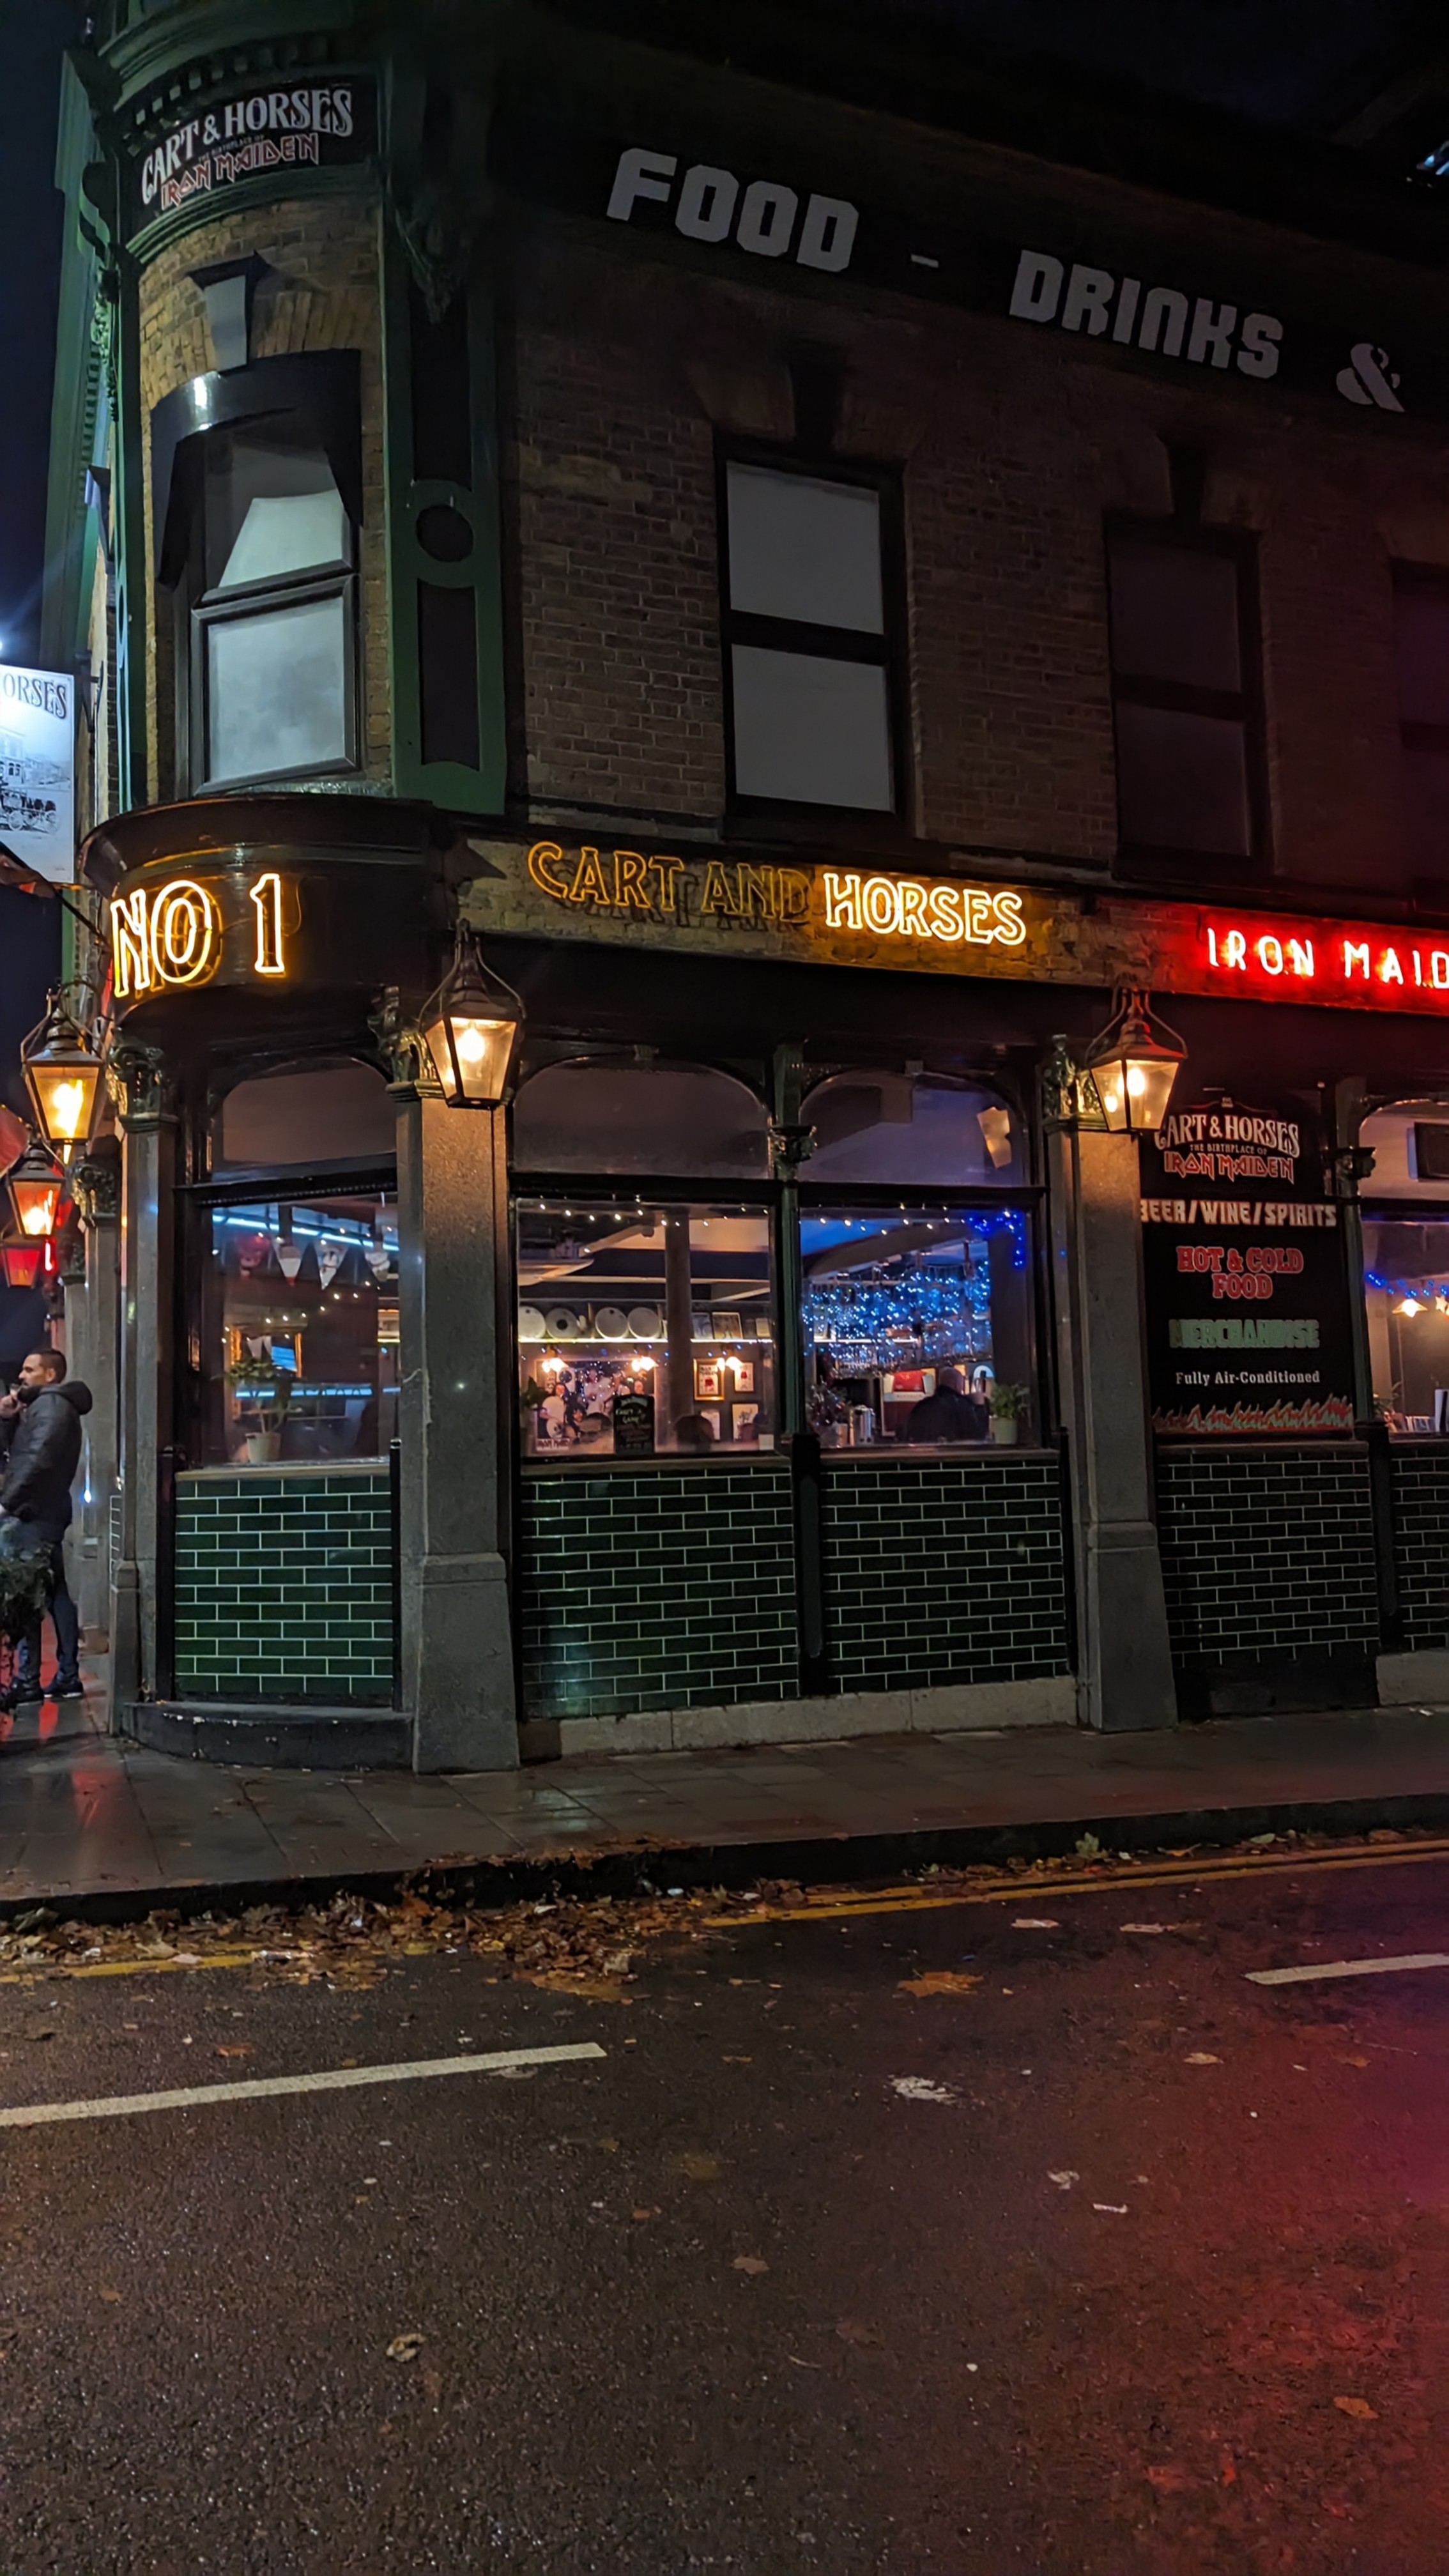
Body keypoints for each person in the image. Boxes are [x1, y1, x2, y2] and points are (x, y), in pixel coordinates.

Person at [0, 1349, 93, 1713]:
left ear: (50, 1375)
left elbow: (37, 1459)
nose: (22, 1376)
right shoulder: (47, 1406)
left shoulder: (51, 1407)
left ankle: (28, 1680)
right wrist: (7, 1418)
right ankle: (67, 1676)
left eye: (30, 1369)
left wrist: (7, 1503)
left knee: (27, 1596)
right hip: (45, 1512)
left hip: (33, 1514)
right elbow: (20, 1452)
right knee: (55, 1594)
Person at [905, 1364, 990, 1445]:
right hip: (955, 1454)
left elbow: (908, 1436)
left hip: (922, 1454)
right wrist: (980, 1406)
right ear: (957, 1384)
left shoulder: (921, 1407)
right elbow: (978, 1436)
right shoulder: (961, 1406)